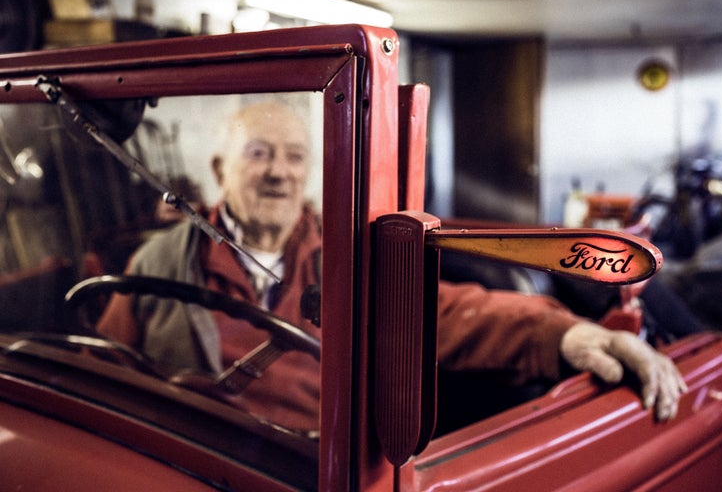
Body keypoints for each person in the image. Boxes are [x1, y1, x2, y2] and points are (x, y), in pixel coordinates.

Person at [97, 100, 687, 434]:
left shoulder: (349, 255)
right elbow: (103, 372)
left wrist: (570, 334)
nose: (278, 171)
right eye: (259, 154)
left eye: (294, 156)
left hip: (309, 468)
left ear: (309, 172)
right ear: (220, 167)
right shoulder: (160, 261)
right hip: (186, 462)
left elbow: (452, 312)